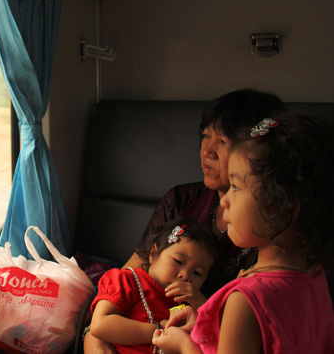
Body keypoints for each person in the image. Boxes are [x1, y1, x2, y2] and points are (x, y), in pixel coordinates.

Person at [84, 89, 286, 353]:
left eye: (223, 142)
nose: (207, 151)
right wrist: (94, 335)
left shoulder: (271, 232)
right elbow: (131, 275)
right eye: (205, 137)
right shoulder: (181, 201)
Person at [152, 111, 334, 353]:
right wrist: (207, 328)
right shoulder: (314, 275)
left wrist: (185, 346)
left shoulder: (245, 301)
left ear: (279, 207)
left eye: (236, 187)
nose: (225, 200)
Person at [89, 218, 219, 354]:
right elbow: (100, 325)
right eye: (178, 261)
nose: (185, 275)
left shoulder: (190, 312)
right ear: (153, 254)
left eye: (197, 273)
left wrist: (202, 306)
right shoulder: (128, 280)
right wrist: (156, 329)